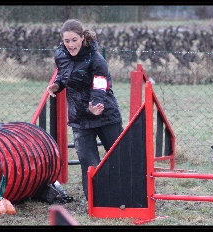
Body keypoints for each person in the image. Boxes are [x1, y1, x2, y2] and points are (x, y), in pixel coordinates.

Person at [47, 19, 123, 200]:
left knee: (120, 157)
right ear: (62, 41)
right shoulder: (60, 56)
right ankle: (95, 202)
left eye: (74, 40)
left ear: (82, 38)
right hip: (79, 117)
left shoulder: (96, 59)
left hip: (105, 114)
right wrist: (57, 85)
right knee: (88, 163)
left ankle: (125, 195)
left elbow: (100, 84)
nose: (71, 45)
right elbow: (65, 76)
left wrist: (96, 105)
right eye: (67, 41)